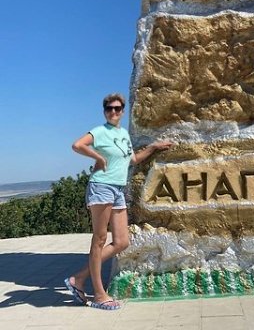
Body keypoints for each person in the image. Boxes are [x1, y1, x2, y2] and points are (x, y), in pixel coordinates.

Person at [64, 93, 173, 310]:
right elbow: (77, 145)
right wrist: (98, 157)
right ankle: (99, 295)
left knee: (122, 241)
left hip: (117, 190)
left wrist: (153, 148)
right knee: (99, 239)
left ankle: (78, 278)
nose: (113, 112)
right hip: (102, 187)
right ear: (104, 111)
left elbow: (133, 159)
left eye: (117, 108)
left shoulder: (123, 134)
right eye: (109, 108)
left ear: (123, 111)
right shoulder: (99, 131)